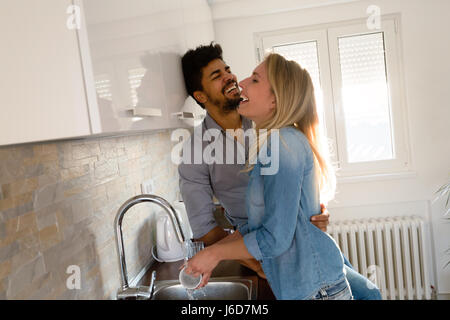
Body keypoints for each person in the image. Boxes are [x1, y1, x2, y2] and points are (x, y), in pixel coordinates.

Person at [179, 43, 381, 299]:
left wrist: (315, 210)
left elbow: (293, 191)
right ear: (201, 96)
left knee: (370, 295)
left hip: (295, 245)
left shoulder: (270, 127)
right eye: (217, 76)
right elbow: (206, 228)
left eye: (227, 69)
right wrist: (256, 262)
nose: (232, 78)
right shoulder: (196, 150)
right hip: (262, 248)